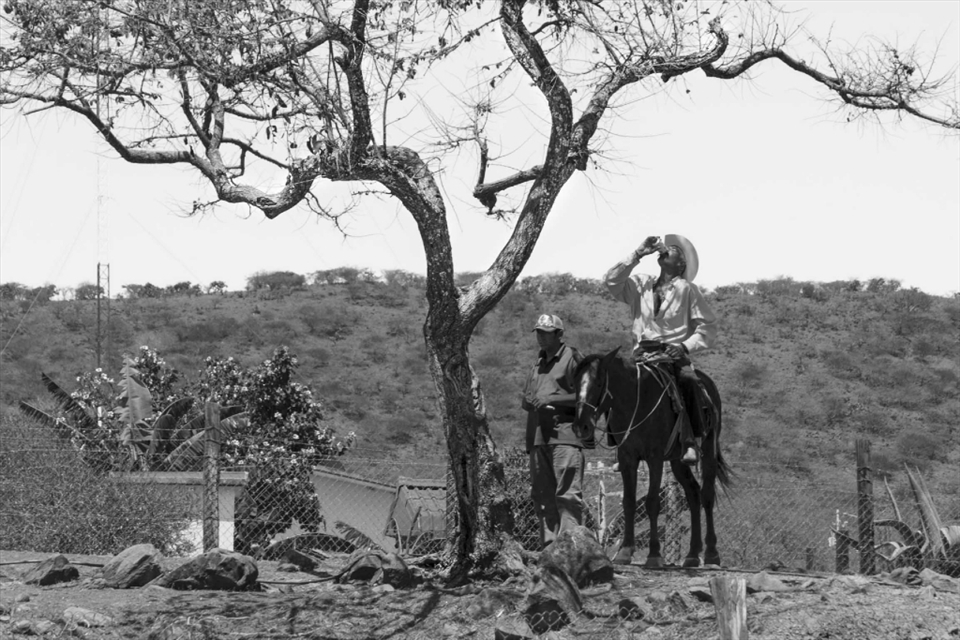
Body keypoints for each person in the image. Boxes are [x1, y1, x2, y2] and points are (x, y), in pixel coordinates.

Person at [604, 234, 718, 464]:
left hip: (671, 353)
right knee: (613, 380)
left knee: (689, 380)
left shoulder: (688, 290)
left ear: (681, 264)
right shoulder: (639, 284)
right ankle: (620, 444)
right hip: (642, 354)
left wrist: (684, 346)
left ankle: (691, 440)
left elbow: (708, 327)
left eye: (674, 250)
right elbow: (611, 281)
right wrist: (638, 253)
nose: (667, 250)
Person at [521, 313, 589, 548]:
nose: (541, 337)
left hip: (566, 437)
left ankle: (570, 552)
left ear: (559, 334)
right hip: (538, 438)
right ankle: (549, 550)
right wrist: (531, 401)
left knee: (568, 497)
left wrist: (554, 399)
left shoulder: (573, 358)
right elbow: (527, 400)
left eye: (546, 333)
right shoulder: (537, 364)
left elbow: (588, 396)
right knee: (543, 498)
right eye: (539, 332)